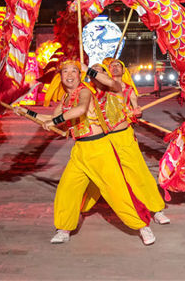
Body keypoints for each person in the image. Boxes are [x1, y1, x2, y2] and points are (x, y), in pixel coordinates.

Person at [19, 60, 167, 246]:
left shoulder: (85, 91)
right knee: (67, 189)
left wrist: (55, 120)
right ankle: (64, 228)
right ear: (61, 77)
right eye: (65, 71)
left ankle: (142, 226)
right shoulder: (66, 99)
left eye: (74, 71)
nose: (70, 75)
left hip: (100, 149)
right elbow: (50, 119)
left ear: (81, 75)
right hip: (80, 151)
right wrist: (26, 113)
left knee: (118, 191)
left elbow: (80, 110)